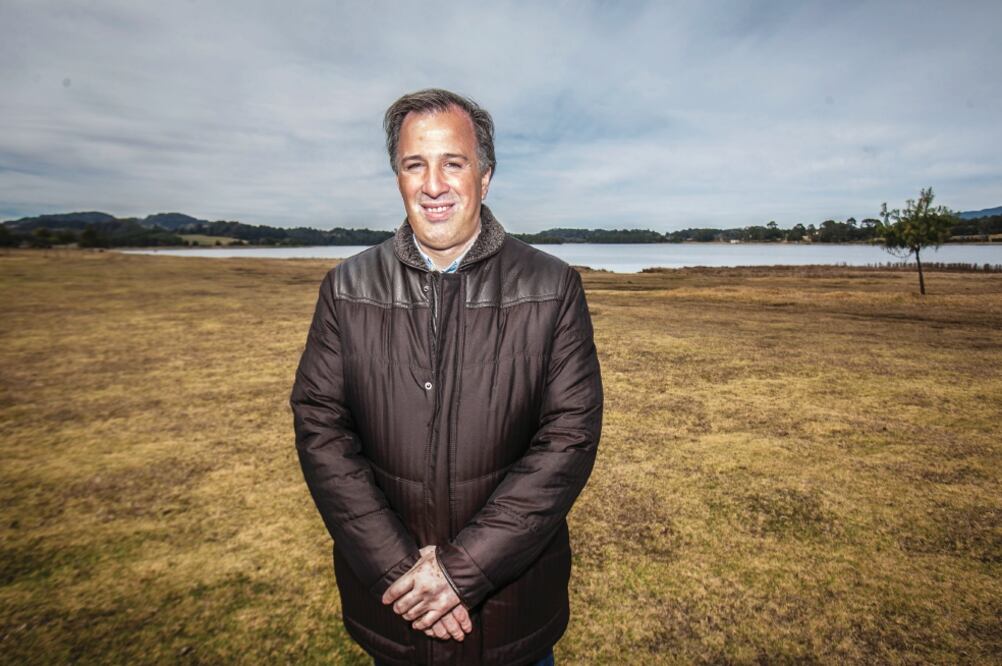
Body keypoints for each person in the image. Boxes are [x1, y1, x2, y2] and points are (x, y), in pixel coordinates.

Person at [290, 88, 603, 666]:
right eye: (415, 164)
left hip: (511, 614)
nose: (434, 185)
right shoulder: (346, 288)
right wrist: (403, 573)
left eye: (452, 162)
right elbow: (321, 431)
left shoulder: (553, 288)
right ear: (398, 177)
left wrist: (463, 572)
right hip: (395, 609)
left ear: (484, 177)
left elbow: (568, 441)